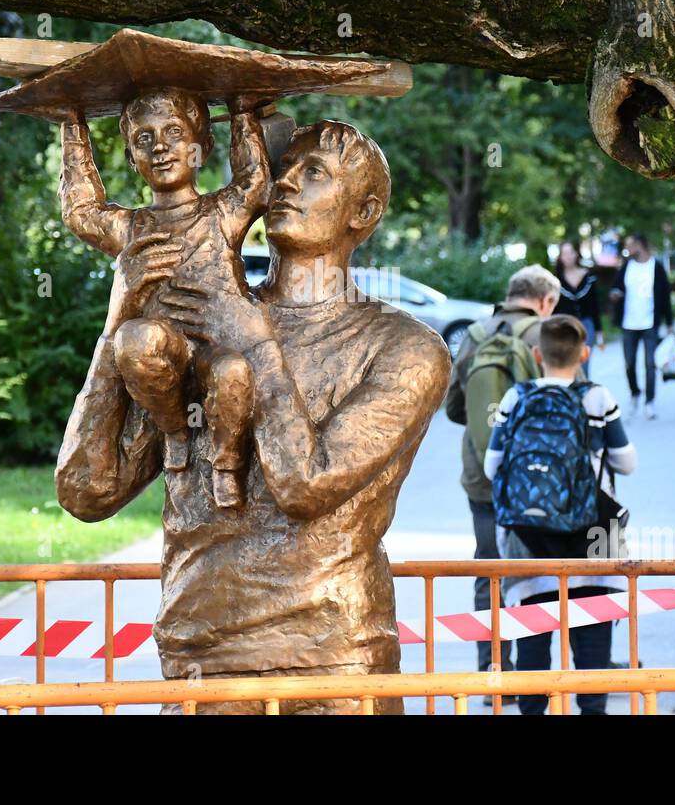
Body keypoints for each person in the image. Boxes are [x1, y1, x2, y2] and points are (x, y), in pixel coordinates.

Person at [56, 117, 451, 714]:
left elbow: (304, 484)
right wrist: (118, 324)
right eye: (283, 166)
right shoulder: (194, 322)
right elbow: (86, 491)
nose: (286, 181)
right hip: (203, 661)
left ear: (364, 212)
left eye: (314, 171)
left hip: (332, 666)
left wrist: (256, 344)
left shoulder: (404, 349)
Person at [60, 89, 269, 508]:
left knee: (230, 371)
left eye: (175, 133)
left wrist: (242, 108)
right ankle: (175, 431)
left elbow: (255, 183)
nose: (159, 147)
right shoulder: (131, 227)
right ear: (129, 155)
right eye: (143, 138)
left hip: (216, 349)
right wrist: (72, 127)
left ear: (203, 146)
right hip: (163, 361)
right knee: (135, 340)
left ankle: (226, 464)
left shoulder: (220, 214)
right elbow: (81, 212)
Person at [484, 315, 636, 715]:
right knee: (591, 643)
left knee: (532, 640)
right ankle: (592, 707)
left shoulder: (517, 397)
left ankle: (533, 709)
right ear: (584, 353)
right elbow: (626, 462)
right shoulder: (598, 397)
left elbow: (491, 467)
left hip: (528, 538)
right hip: (592, 538)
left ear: (537, 355)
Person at [445, 264, 559, 685]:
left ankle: (494, 670)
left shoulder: (474, 336)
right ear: (545, 301)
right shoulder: (546, 336)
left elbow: (455, 408)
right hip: (540, 482)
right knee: (537, 570)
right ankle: (534, 675)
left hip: (481, 474)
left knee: (489, 565)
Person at [608, 233, 673, 419]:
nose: (628, 249)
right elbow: (616, 288)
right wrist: (615, 295)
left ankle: (649, 401)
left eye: (630, 245)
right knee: (629, 363)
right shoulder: (626, 266)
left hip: (649, 323)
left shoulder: (656, 267)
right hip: (629, 323)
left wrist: (669, 323)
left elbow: (665, 297)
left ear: (640, 245)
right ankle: (635, 392)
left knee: (650, 364)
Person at [553, 240, 604, 376]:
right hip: (565, 327)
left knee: (584, 364)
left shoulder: (588, 277)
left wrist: (599, 332)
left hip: (587, 326)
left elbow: (595, 305)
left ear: (576, 254)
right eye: (564, 253)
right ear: (560, 257)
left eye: (571, 252)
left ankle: (583, 393)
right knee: (569, 364)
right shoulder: (555, 280)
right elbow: (554, 308)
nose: (568, 256)